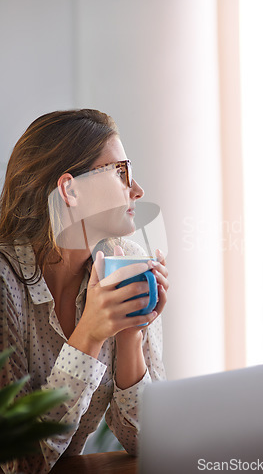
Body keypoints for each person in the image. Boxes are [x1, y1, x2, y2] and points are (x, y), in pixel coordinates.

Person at [0, 109, 168, 474]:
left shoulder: (126, 264)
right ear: (69, 190)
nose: (137, 190)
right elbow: (19, 464)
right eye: (121, 173)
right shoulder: (4, 286)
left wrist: (129, 336)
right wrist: (89, 335)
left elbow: (148, 441)